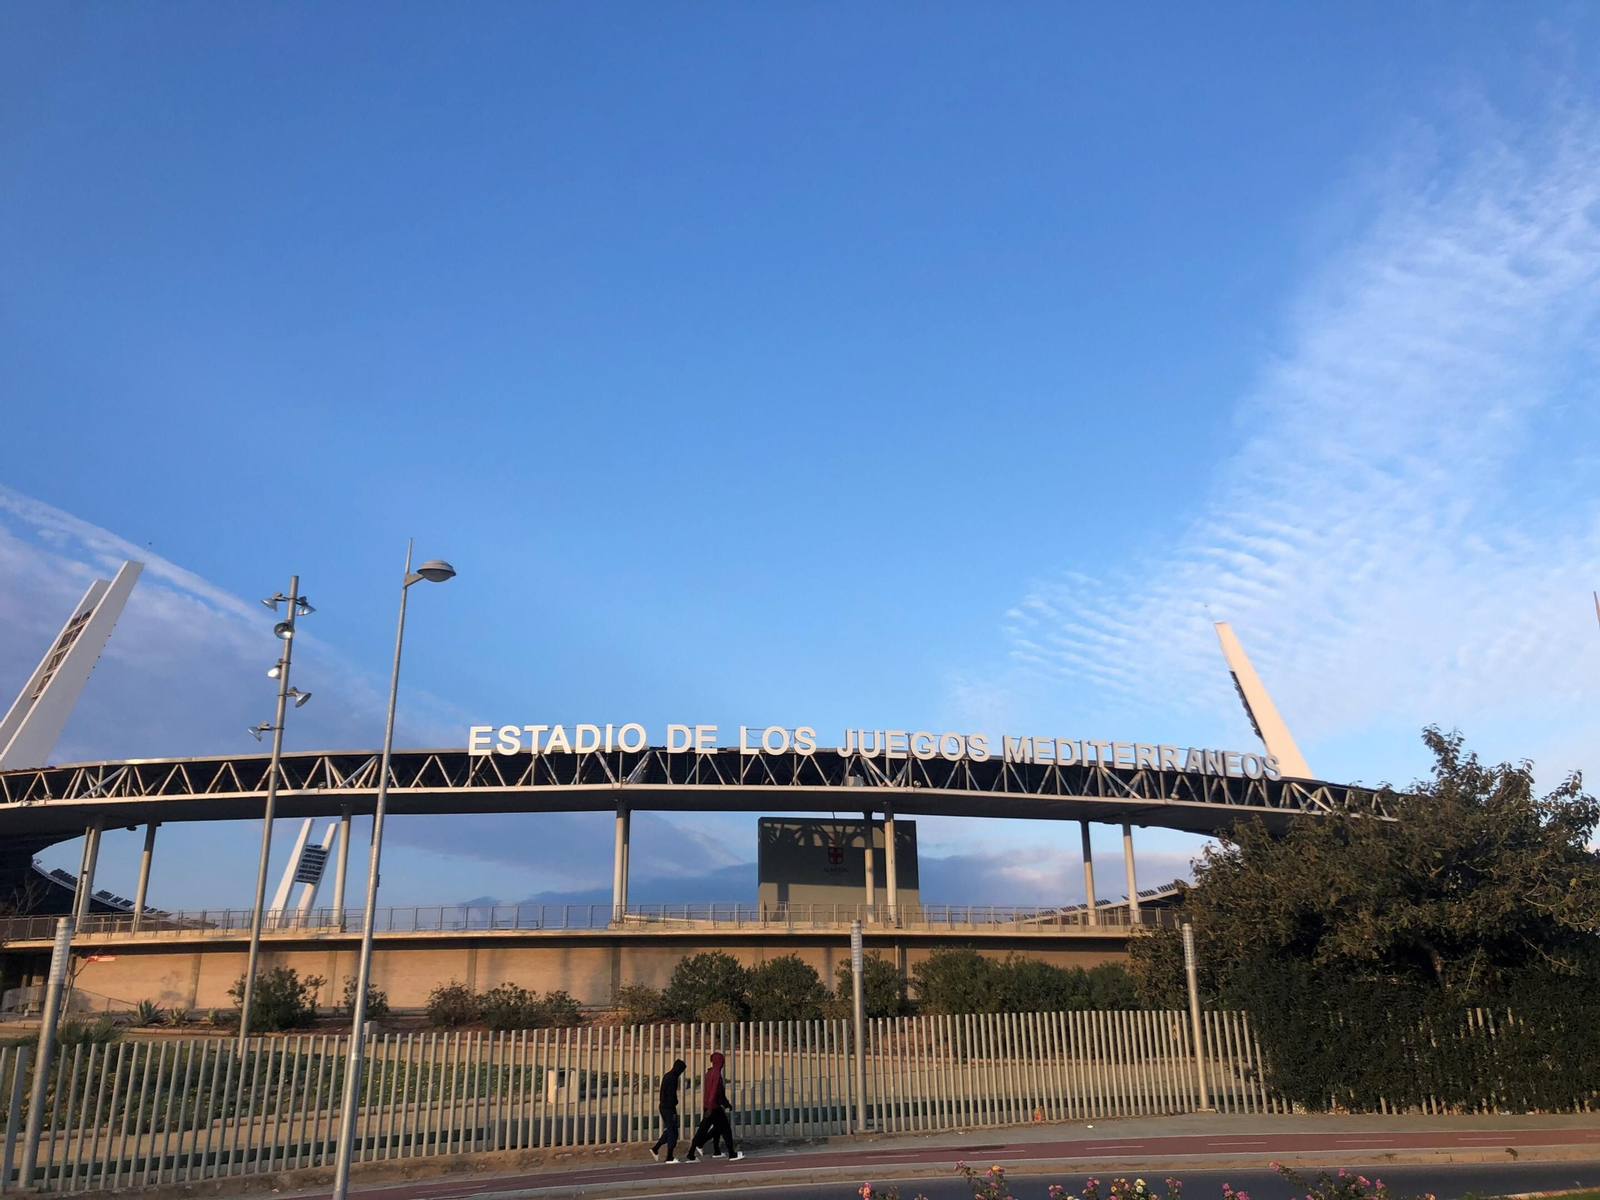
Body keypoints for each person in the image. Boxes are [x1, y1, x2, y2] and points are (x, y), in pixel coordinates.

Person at [682, 1050, 744, 1161]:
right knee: (725, 1130)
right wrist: (722, 1103)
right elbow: (716, 1091)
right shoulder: (716, 1074)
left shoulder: (709, 1073)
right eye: (722, 1061)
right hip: (714, 1107)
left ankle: (693, 1152)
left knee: (705, 1129)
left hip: (709, 1106)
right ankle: (732, 1154)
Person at [650, 1059, 687, 1163]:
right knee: (672, 1132)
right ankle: (669, 1156)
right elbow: (670, 1096)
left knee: (671, 1129)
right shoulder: (673, 1078)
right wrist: (674, 1107)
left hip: (664, 1107)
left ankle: (656, 1148)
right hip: (668, 1108)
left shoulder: (668, 1075)